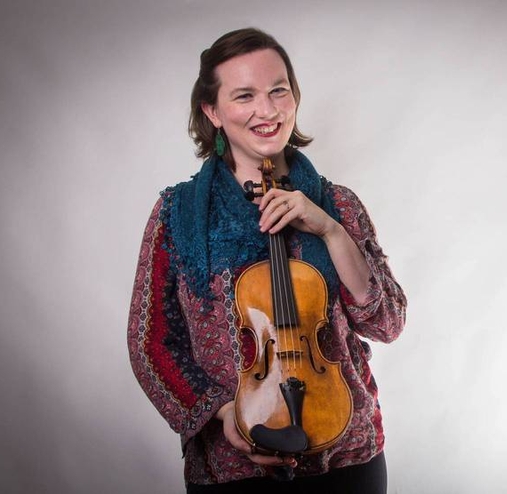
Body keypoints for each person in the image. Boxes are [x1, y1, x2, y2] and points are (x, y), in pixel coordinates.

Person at [127, 28, 406, 493]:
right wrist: (224, 414)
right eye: (244, 95)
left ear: (294, 96)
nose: (267, 109)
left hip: (347, 452)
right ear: (212, 112)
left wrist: (330, 231)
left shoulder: (338, 204)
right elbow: (150, 343)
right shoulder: (177, 215)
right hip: (231, 465)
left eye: (279, 90)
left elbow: (388, 323)